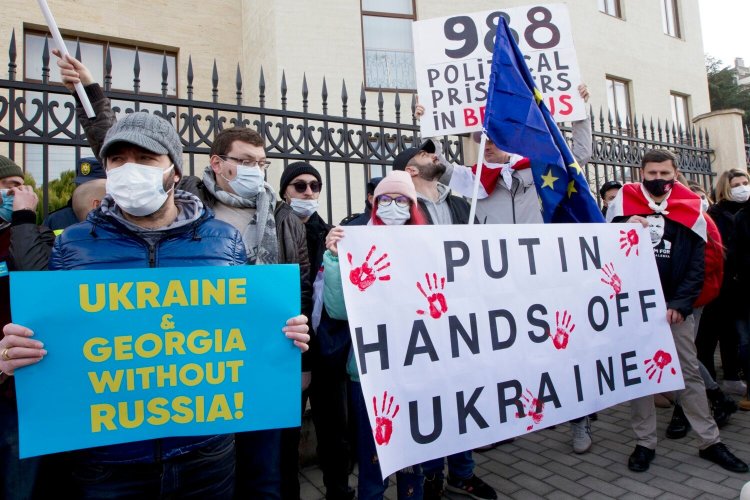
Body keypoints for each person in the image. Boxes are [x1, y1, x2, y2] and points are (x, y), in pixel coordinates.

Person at [0, 112, 311, 498]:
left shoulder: (223, 240)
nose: (130, 169)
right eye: (118, 160)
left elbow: (247, 325)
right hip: (106, 463)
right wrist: (18, 352)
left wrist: (286, 332)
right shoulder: (73, 244)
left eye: (146, 159)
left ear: (174, 171)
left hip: (205, 454)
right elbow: (58, 336)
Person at [606, 149, 747, 473]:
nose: (658, 180)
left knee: (689, 374)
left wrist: (681, 304)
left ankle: (709, 441)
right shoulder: (624, 202)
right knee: (641, 377)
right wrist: (624, 226)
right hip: (635, 306)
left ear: (675, 174)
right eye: (652, 174)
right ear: (642, 173)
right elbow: (604, 249)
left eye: (664, 175)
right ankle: (644, 443)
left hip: (675, 309)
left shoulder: (690, 206)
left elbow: (698, 263)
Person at [392, 145, 498, 499]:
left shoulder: (459, 204)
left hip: (461, 316)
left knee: (462, 394)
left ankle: (463, 473)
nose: (435, 156)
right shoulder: (398, 206)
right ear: (410, 170)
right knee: (431, 399)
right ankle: (432, 474)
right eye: (425, 155)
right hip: (420, 318)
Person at [323, 171, 426, 500]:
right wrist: (335, 259)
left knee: (414, 459)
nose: (393, 206)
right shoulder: (354, 240)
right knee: (372, 459)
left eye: (401, 200)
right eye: (385, 199)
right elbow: (338, 311)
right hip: (368, 370)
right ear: (373, 203)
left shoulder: (430, 244)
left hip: (420, 365)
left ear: (412, 205)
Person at [277, 162, 354, 500]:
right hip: (286, 352)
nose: (308, 192)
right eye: (299, 186)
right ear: (284, 192)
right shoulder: (271, 231)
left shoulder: (332, 234)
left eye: (314, 186)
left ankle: (338, 491)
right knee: (285, 436)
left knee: (335, 431)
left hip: (327, 353)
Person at [415, 84, 593, 225]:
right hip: (498, 259)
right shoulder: (473, 178)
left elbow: (581, 154)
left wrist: (580, 110)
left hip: (541, 253)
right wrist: (427, 125)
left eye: (492, 140)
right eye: (483, 141)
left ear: (509, 141)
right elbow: (442, 169)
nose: (486, 146)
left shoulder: (538, 169)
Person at [0, 156, 43, 500]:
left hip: (18, 384)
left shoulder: (29, 233)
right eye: (7, 187)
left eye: (19, 186)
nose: (16, 194)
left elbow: (36, 285)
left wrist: (23, 221)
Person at [695, 169, 750, 399]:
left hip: (735, 285)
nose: (741, 187)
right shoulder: (717, 214)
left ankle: (733, 378)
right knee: (711, 339)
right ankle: (711, 388)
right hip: (722, 285)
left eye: (744, 182)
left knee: (731, 336)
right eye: (736, 184)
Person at [43, 157, 107, 232]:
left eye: (91, 185)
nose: (84, 189)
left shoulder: (120, 218)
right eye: (81, 184)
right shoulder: (55, 219)